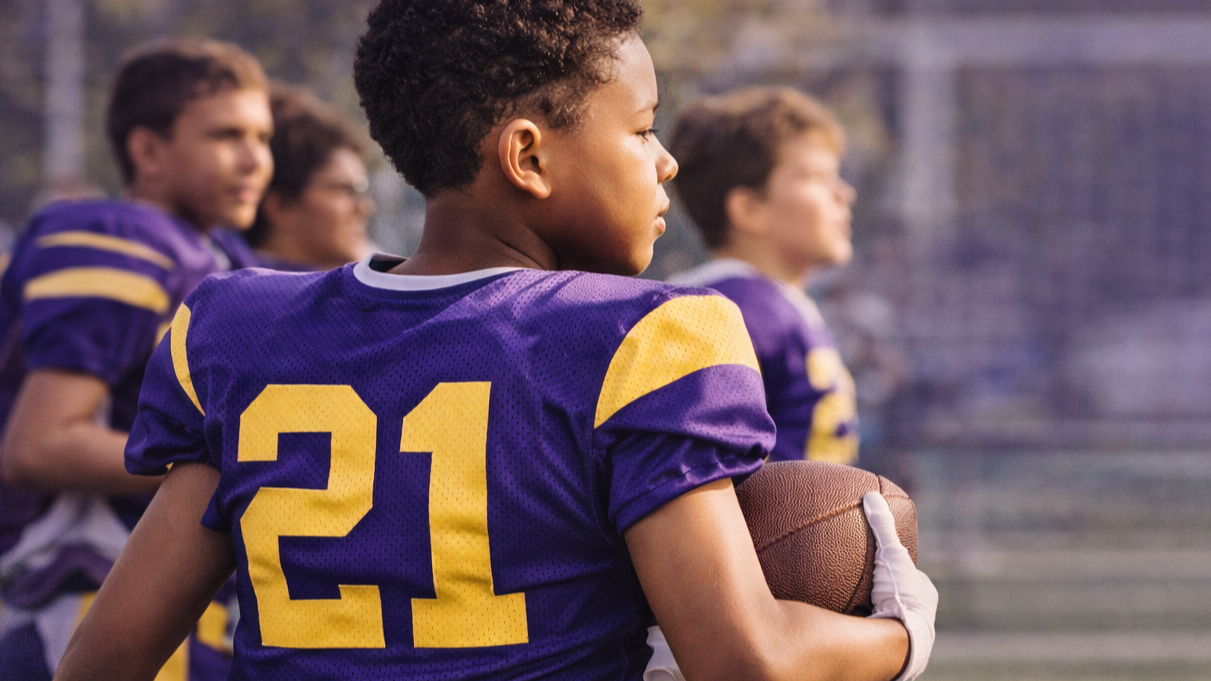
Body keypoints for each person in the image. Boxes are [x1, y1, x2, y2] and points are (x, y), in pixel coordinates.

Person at [55, 3, 936, 681]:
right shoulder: (646, 338)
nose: (662, 161)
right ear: (528, 157)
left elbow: (104, 661)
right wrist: (898, 633)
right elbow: (745, 659)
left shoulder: (241, 331)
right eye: (639, 128)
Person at [0, 38, 271, 680]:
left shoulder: (214, 253)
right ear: (148, 150)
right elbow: (38, 445)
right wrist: (248, 473)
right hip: (78, 592)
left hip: (152, 592)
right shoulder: (121, 240)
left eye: (262, 137)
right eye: (227, 135)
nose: (255, 159)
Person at [667, 87, 861, 465]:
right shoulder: (733, 312)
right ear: (749, 208)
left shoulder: (777, 304)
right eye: (816, 176)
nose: (843, 193)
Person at [243, 83, 374, 271]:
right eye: (347, 190)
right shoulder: (246, 295)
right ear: (282, 207)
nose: (365, 208)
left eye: (363, 189)